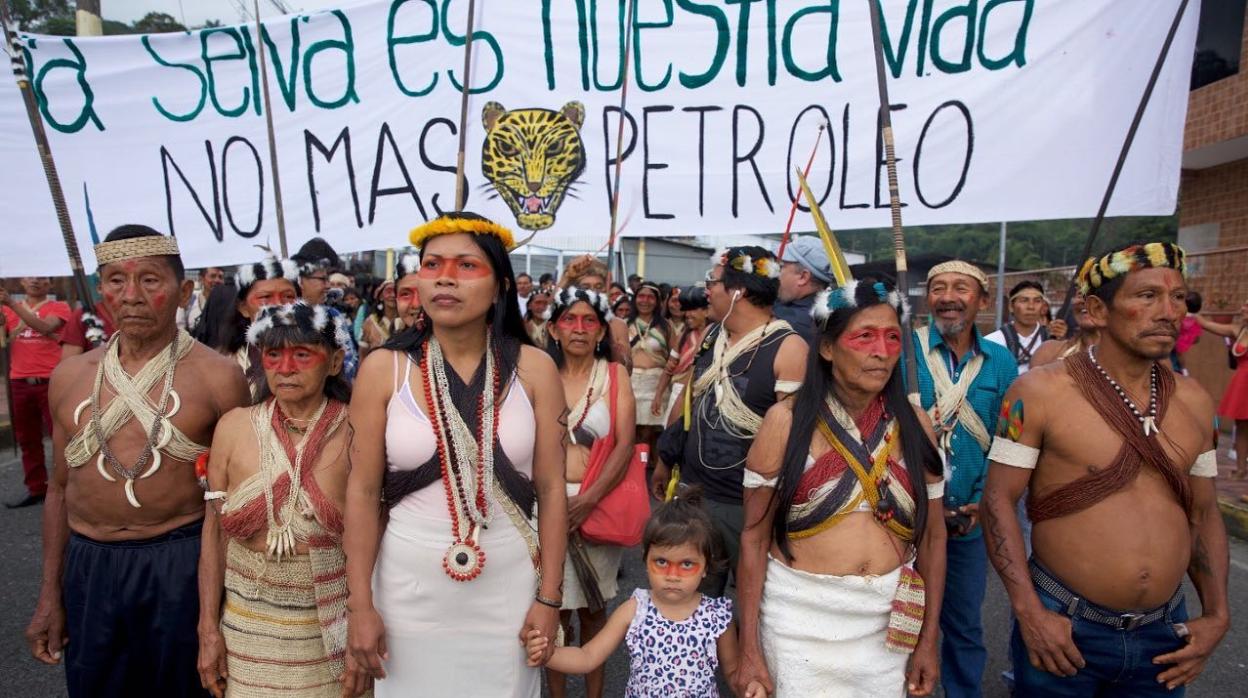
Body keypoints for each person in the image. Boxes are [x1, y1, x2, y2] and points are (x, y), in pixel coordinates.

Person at [981, 242, 1229, 696]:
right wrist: (1030, 612)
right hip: (1066, 629)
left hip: (1164, 634)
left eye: (1177, 297)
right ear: (1095, 310)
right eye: (1147, 296)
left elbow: (1205, 513)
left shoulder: (1195, 401)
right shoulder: (1036, 393)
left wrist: (1217, 615)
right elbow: (998, 499)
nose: (1168, 311)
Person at [341, 212, 567, 698]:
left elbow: (550, 491)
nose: (445, 276)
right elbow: (360, 493)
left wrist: (549, 598)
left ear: (500, 284)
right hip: (407, 589)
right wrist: (360, 605)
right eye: (432, 264)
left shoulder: (536, 370)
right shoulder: (384, 369)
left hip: (508, 583)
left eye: (467, 265)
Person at [25, 225, 249, 697]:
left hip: (179, 562)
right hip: (90, 565)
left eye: (150, 280)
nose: (131, 296)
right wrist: (51, 594)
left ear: (183, 290)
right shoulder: (68, 376)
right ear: (100, 289)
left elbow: (234, 497)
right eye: (115, 281)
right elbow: (60, 490)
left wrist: (217, 615)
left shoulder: (219, 377)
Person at [737, 278, 946, 697]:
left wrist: (928, 641)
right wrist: (749, 652)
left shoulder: (915, 424)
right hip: (798, 623)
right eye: (864, 336)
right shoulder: (785, 421)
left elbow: (934, 537)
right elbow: (754, 539)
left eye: (891, 337)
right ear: (828, 348)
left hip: (887, 628)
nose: (882, 352)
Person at [197, 302, 359, 698]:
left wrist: (363, 628)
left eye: (302, 355)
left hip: (331, 627)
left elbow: (375, 542)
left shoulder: (357, 429)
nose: (285, 368)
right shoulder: (233, 427)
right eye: (273, 355)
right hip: (247, 625)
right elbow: (214, 534)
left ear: (335, 362)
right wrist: (207, 628)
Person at [651, 246, 807, 595]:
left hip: (746, 506)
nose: (707, 289)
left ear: (739, 291)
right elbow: (689, 396)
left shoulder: (789, 348)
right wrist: (665, 458)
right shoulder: (712, 336)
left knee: (756, 605)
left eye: (714, 281)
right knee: (691, 602)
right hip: (693, 494)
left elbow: (794, 438)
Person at [524, 489, 758, 698]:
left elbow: (733, 673)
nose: (672, 575)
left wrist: (751, 688)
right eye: (662, 562)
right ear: (646, 560)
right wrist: (548, 654)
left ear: (706, 566)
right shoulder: (635, 609)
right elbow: (588, 657)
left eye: (687, 564)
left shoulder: (716, 617)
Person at [914, 260, 1017, 698]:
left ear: (983, 300)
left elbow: (1010, 438)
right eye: (938, 288)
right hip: (908, 514)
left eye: (961, 288)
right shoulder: (906, 350)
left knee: (963, 623)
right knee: (900, 619)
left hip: (969, 517)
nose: (948, 296)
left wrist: (986, 499)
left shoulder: (1001, 362)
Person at [544, 286, 636, 698]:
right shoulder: (539, 375)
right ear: (553, 328)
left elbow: (623, 444)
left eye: (588, 321)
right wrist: (552, 503)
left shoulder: (614, 376)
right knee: (554, 610)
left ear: (601, 332)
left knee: (594, 612)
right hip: (546, 505)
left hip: (596, 503)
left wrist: (589, 500)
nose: (578, 329)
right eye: (569, 320)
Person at [1, 276, 71, 508]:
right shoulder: (8, 309)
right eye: (31, 277)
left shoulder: (59, 307)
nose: (36, 281)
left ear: (50, 284)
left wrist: (11, 304)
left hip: (52, 380)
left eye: (42, 278)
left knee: (60, 437)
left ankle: (69, 487)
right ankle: (36, 488)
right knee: (27, 438)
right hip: (19, 381)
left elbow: (46, 327)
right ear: (22, 281)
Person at [1195, 301, 1248, 479]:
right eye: (1243, 305)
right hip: (1242, 383)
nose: (1242, 308)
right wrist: (1191, 312)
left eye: (1247, 306)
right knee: (1241, 426)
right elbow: (1206, 324)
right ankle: (1241, 469)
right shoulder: (1237, 330)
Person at [653, 286, 712, 420]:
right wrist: (658, 395)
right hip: (677, 393)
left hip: (701, 396)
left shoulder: (716, 336)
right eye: (686, 310)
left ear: (707, 311)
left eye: (693, 309)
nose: (688, 314)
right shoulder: (683, 337)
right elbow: (669, 369)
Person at [627, 283, 673, 453]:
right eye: (641, 296)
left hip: (655, 384)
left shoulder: (666, 327)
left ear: (657, 301)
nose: (645, 301)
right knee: (629, 431)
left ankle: (645, 469)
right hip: (630, 383)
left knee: (649, 433)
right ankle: (631, 470)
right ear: (635, 299)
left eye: (650, 297)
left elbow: (673, 358)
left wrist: (661, 392)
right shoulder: (624, 324)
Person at [985, 281, 1067, 374]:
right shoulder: (992, 342)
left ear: (1043, 307)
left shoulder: (1050, 340)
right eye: (1024, 300)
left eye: (1037, 301)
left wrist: (1062, 343)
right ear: (1011, 306)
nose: (1031, 306)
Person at [774, 236, 832, 343]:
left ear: (803, 277)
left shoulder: (790, 325)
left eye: (781, 267)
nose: (775, 274)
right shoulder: (825, 313)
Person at [1030, 291, 1099, 369]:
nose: (1084, 300)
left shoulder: (1115, 359)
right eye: (1080, 294)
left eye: (1098, 294)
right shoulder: (1048, 352)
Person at [291, 237, 341, 306]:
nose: (328, 286)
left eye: (328, 279)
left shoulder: (332, 314)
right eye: (323, 279)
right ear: (301, 280)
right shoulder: (281, 314)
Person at [360, 281, 404, 357]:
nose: (393, 295)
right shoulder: (371, 321)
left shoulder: (406, 321)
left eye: (396, 292)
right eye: (388, 291)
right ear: (381, 297)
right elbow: (363, 352)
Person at [184, 267, 225, 332]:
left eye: (220, 277)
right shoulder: (190, 298)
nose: (217, 280)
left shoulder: (229, 302)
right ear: (201, 279)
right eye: (213, 276)